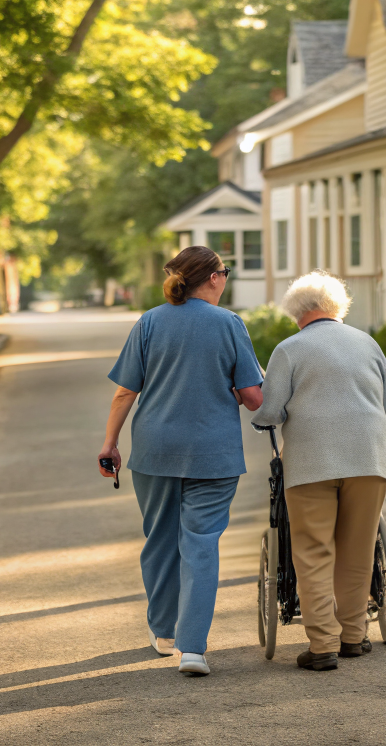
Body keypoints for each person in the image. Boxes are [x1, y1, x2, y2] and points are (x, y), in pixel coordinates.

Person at [99, 245, 263, 677]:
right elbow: (252, 398)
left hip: (154, 452)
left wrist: (110, 444)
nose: (225, 279)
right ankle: (193, 649)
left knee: (159, 540)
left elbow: (125, 392)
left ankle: (163, 632)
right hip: (215, 455)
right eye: (224, 272)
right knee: (202, 544)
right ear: (212, 278)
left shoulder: (150, 322)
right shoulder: (230, 325)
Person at [251, 271, 386, 671]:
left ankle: (323, 646)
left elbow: (269, 410)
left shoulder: (289, 349)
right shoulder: (367, 343)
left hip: (312, 462)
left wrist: (262, 418)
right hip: (368, 459)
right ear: (338, 306)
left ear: (295, 312)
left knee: (314, 551)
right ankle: (354, 636)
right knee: (358, 549)